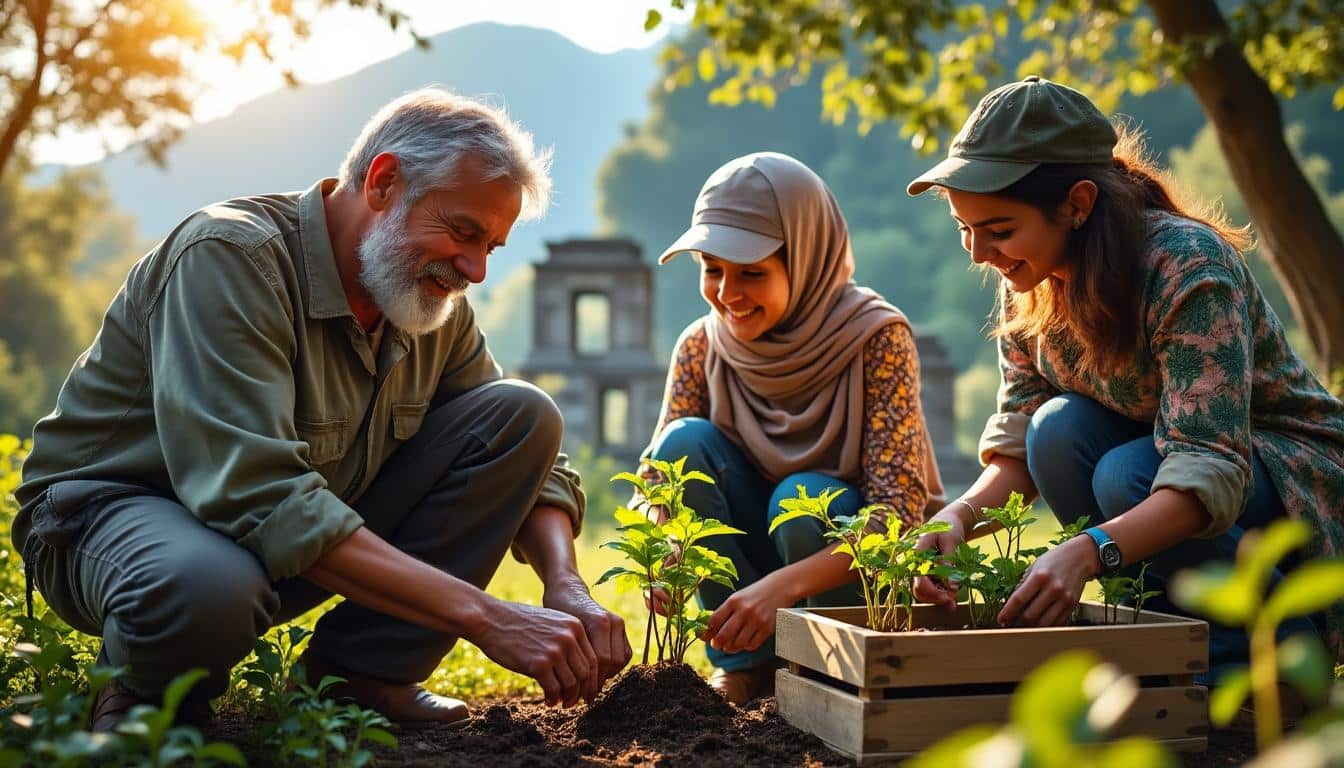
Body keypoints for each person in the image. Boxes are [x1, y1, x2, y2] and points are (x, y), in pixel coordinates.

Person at [12, 88, 631, 732]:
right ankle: (141, 708)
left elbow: (528, 450)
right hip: (108, 520)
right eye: (463, 232)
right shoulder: (230, 257)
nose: (474, 269)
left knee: (520, 413)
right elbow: (260, 497)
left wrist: (565, 582)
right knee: (205, 585)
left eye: (491, 248)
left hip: (272, 544)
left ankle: (362, 677)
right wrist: (486, 614)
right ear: (385, 181)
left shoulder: (425, 296)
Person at [907, 76, 1344, 677]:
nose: (978, 253)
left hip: (1289, 477)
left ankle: (1279, 658)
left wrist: (1086, 552)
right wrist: (957, 517)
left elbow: (1205, 468)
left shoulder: (1185, 266)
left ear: (1078, 205)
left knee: (1127, 473)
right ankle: (1166, 641)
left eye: (999, 230)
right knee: (1054, 432)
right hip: (1163, 478)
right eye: (966, 228)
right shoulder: (1029, 283)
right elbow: (1018, 449)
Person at [636, 152, 944, 704]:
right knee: (681, 445)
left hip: (839, 565)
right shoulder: (702, 345)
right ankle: (744, 666)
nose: (727, 293)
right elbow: (657, 480)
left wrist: (778, 590)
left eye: (752, 272)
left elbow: (896, 513)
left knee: (805, 498)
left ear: (806, 260)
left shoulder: (876, 337)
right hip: (751, 549)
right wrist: (664, 544)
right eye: (712, 269)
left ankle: (827, 668)